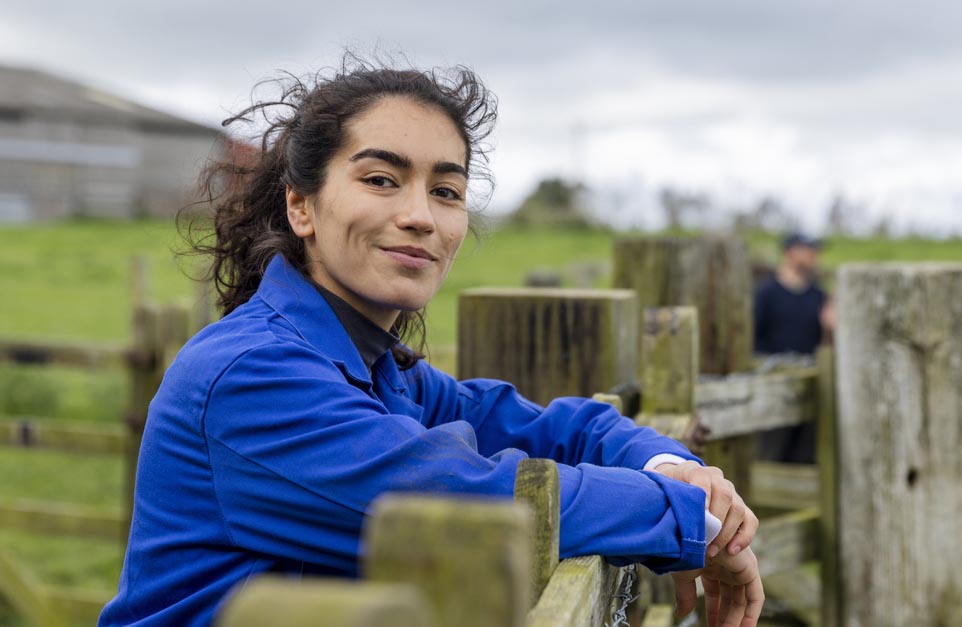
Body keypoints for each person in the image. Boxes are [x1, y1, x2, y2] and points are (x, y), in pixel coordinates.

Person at [98, 58, 762, 627]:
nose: (419, 215)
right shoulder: (253, 375)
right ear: (301, 206)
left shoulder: (382, 369)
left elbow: (556, 428)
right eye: (381, 179)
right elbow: (473, 498)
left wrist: (673, 469)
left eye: (445, 190)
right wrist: (687, 517)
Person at [752, 232, 833, 464]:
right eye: (808, 250)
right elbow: (754, 339)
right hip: (773, 389)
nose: (813, 256)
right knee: (770, 455)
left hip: (809, 389)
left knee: (804, 456)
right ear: (790, 252)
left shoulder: (817, 295)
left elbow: (823, 343)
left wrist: (829, 328)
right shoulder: (766, 293)